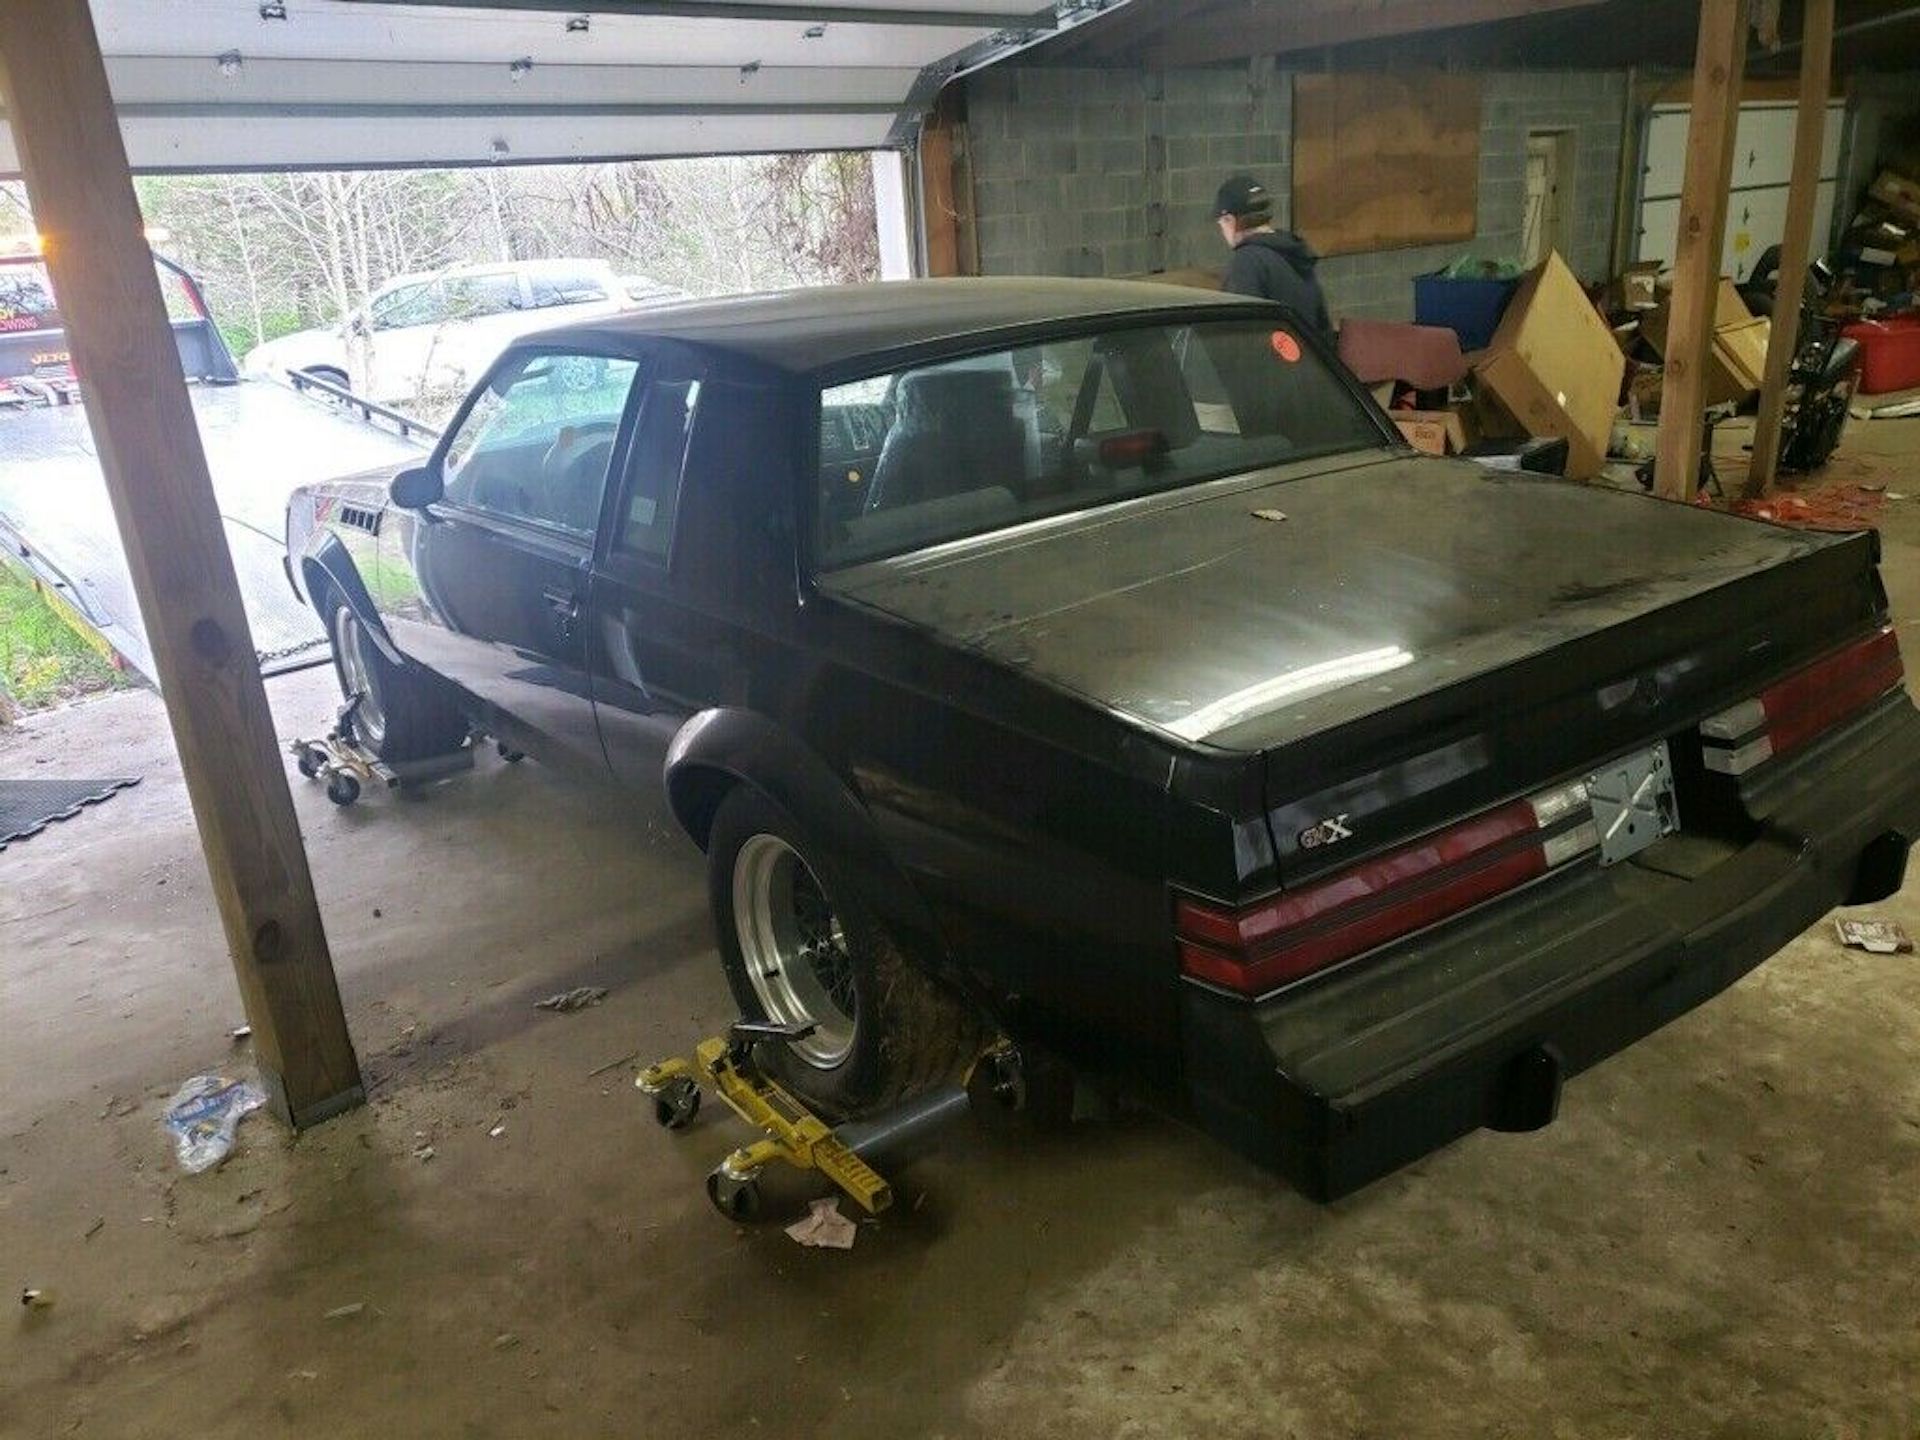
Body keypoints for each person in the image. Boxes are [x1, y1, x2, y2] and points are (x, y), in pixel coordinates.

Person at [1213, 175, 1333, 341]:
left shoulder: (1247, 262)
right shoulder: (1296, 254)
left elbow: (1239, 336)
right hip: (1306, 363)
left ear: (1229, 220)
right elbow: (1323, 327)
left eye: (1222, 224)